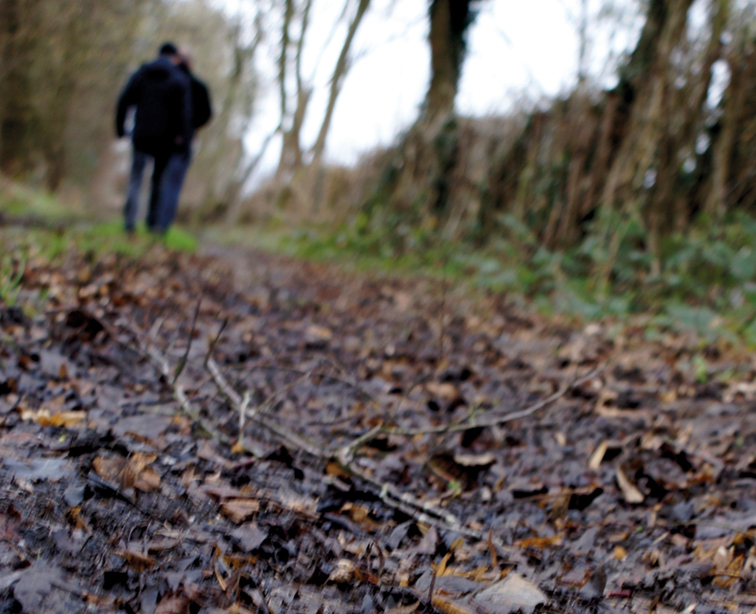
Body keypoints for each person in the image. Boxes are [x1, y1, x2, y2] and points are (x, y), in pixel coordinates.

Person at [116, 42, 192, 234]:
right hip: (165, 140)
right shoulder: (178, 79)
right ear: (174, 58)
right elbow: (184, 114)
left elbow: (124, 100)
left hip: (141, 134)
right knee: (158, 181)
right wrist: (184, 140)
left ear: (157, 54)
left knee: (136, 177)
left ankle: (130, 222)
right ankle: (152, 224)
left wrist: (120, 128)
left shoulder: (142, 74)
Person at [151, 48, 212, 232]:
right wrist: (193, 126)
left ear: (177, 61)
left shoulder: (168, 81)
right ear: (191, 63)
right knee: (173, 184)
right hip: (185, 140)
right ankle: (162, 225)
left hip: (164, 138)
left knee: (159, 179)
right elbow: (206, 114)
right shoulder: (199, 86)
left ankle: (153, 221)